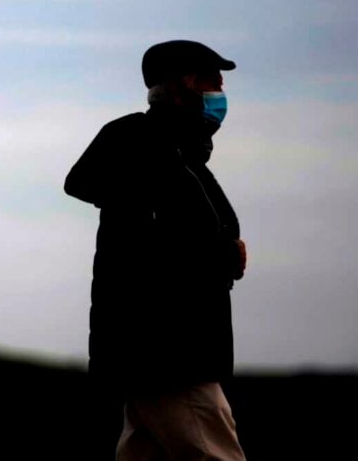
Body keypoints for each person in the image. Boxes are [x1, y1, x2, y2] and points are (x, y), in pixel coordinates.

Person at [64, 40, 248, 460]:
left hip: (161, 352)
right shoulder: (139, 140)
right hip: (170, 352)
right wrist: (221, 254)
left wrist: (223, 250)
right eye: (211, 81)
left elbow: (172, 228)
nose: (220, 92)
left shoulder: (182, 156)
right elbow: (154, 242)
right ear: (181, 86)